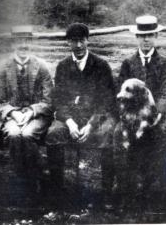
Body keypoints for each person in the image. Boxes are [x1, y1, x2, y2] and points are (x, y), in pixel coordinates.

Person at [46, 23, 117, 209]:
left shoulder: (101, 65)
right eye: (73, 41)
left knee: (108, 134)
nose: (78, 46)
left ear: (88, 40)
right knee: (53, 134)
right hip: (70, 119)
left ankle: (107, 193)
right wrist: (69, 122)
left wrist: (92, 124)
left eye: (81, 41)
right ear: (68, 42)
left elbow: (107, 100)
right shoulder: (62, 67)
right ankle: (56, 194)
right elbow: (58, 100)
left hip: (96, 117)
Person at [114, 15, 166, 219]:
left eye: (150, 35)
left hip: (159, 117)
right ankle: (127, 194)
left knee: (158, 139)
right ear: (137, 38)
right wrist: (128, 117)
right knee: (120, 138)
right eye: (142, 36)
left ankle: (160, 197)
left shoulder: (165, 64)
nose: (146, 40)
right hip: (131, 116)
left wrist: (156, 113)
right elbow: (120, 93)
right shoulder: (128, 63)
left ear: (156, 36)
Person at [0, 26, 53, 204]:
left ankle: (35, 179)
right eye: (19, 41)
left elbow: (49, 101)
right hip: (12, 116)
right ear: (13, 44)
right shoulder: (2, 67)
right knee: (13, 134)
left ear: (31, 43)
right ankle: (20, 181)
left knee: (27, 134)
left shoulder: (41, 66)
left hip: (36, 116)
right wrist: (13, 113)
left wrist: (32, 111)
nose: (23, 45)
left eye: (27, 41)